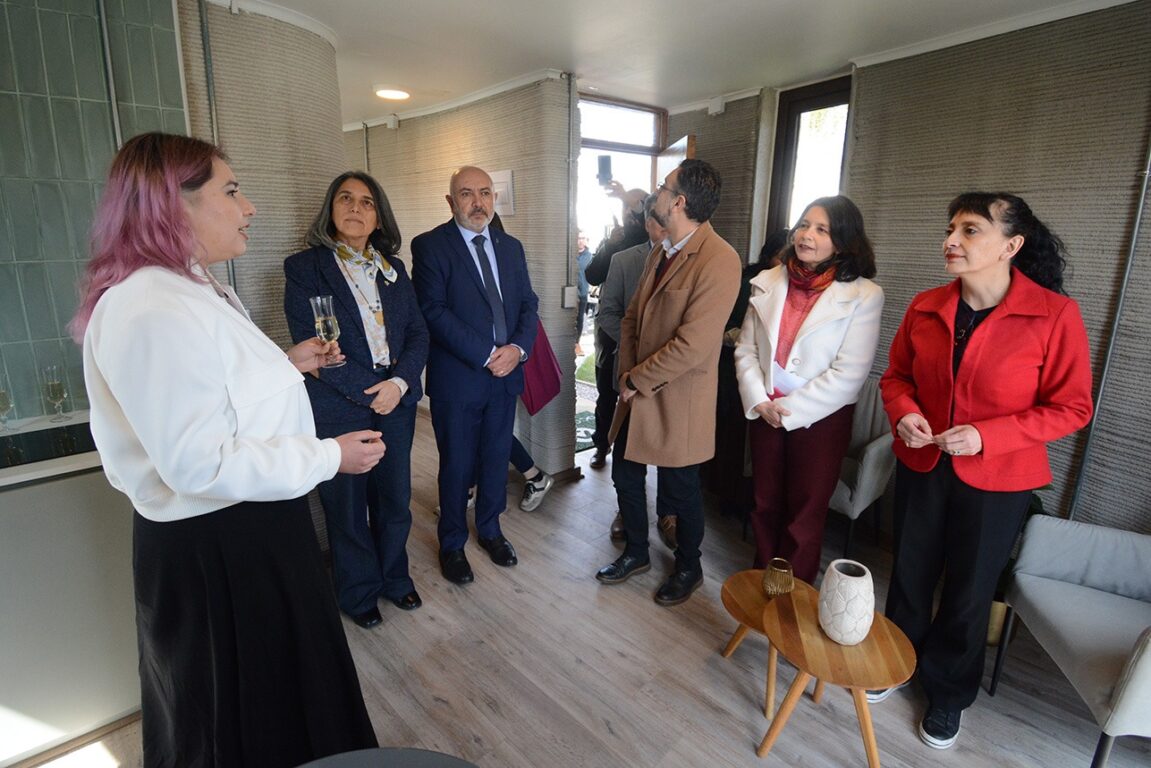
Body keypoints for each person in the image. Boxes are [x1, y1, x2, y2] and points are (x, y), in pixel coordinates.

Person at [71, 133, 381, 766]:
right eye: (232, 191)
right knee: (240, 719)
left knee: (282, 704)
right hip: (221, 548)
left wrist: (288, 364)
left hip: (250, 529)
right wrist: (329, 456)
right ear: (170, 204)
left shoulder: (191, 288)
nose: (250, 208)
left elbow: (219, 395)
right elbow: (198, 463)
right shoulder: (150, 306)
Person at [875, 192, 1093, 750]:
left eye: (970, 230)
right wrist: (905, 415)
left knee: (970, 592)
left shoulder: (1054, 314)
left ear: (1011, 245)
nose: (952, 239)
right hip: (923, 463)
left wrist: (988, 436)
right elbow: (895, 378)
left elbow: (1072, 407)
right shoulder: (926, 305)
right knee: (911, 573)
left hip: (1001, 479)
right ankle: (896, 661)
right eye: (951, 227)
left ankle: (947, 694)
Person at [284, 171, 429, 629]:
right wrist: (373, 392)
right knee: (346, 507)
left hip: (396, 401)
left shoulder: (394, 269)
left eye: (367, 202)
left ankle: (394, 578)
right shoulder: (305, 268)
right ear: (330, 209)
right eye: (345, 199)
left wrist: (400, 385)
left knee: (394, 499)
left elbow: (417, 334)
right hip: (339, 405)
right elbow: (315, 349)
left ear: (378, 216)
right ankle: (358, 590)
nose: (355, 208)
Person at [595, 159, 741, 606]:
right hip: (636, 389)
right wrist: (625, 372)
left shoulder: (720, 260)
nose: (656, 193)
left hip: (679, 398)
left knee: (681, 490)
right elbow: (634, 315)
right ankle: (637, 552)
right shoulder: (662, 249)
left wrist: (637, 378)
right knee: (625, 473)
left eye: (663, 186)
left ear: (678, 202)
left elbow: (694, 345)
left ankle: (689, 567)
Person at [733, 198, 883, 583]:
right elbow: (746, 349)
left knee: (805, 512)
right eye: (804, 225)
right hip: (765, 408)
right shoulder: (767, 280)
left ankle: (792, 596)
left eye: (822, 229)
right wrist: (759, 400)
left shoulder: (865, 295)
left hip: (822, 419)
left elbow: (850, 373)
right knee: (764, 502)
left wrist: (790, 409)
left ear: (844, 241)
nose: (807, 235)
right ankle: (761, 584)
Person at [412, 165, 540, 585]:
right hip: (459, 380)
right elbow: (432, 311)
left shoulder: (511, 246)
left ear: (494, 199)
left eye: (485, 193)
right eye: (466, 194)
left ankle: (490, 530)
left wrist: (517, 350)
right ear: (451, 202)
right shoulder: (431, 246)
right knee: (456, 465)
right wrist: (488, 354)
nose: (477, 202)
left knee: (494, 460)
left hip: (505, 378)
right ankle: (451, 542)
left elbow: (527, 305)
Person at [596, 194, 674, 548]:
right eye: (660, 219)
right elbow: (607, 314)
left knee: (670, 454)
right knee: (628, 457)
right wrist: (637, 353)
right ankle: (627, 512)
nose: (667, 226)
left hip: (672, 377)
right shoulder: (625, 260)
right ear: (647, 223)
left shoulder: (691, 261)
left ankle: (669, 515)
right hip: (630, 372)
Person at [575, 231, 592, 356]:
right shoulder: (571, 254)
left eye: (583, 238)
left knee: (579, 319)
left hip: (582, 293)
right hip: (571, 293)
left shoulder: (588, 256)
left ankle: (577, 343)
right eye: (578, 238)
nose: (580, 241)